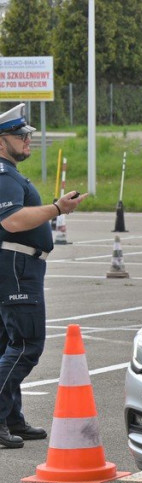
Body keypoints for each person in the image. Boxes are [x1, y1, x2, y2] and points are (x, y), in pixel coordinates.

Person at [0, 104, 87, 448]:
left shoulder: (9, 174)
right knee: (26, 344)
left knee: (8, 344)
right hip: (19, 268)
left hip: (16, 266)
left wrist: (53, 207)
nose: (27, 140)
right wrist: (57, 209)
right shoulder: (5, 176)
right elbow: (12, 221)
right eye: (20, 136)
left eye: (28, 135)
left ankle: (11, 417)